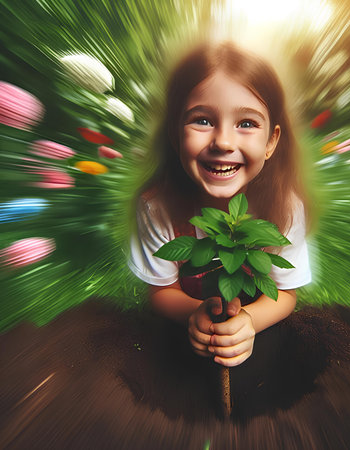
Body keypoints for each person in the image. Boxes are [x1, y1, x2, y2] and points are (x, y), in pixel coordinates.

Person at [129, 41, 311, 368]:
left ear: (271, 141)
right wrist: (196, 316)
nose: (223, 141)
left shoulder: (284, 208)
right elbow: (160, 291)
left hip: (259, 341)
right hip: (181, 341)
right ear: (174, 133)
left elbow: (285, 293)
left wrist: (248, 322)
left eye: (246, 123)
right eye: (202, 120)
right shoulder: (157, 208)